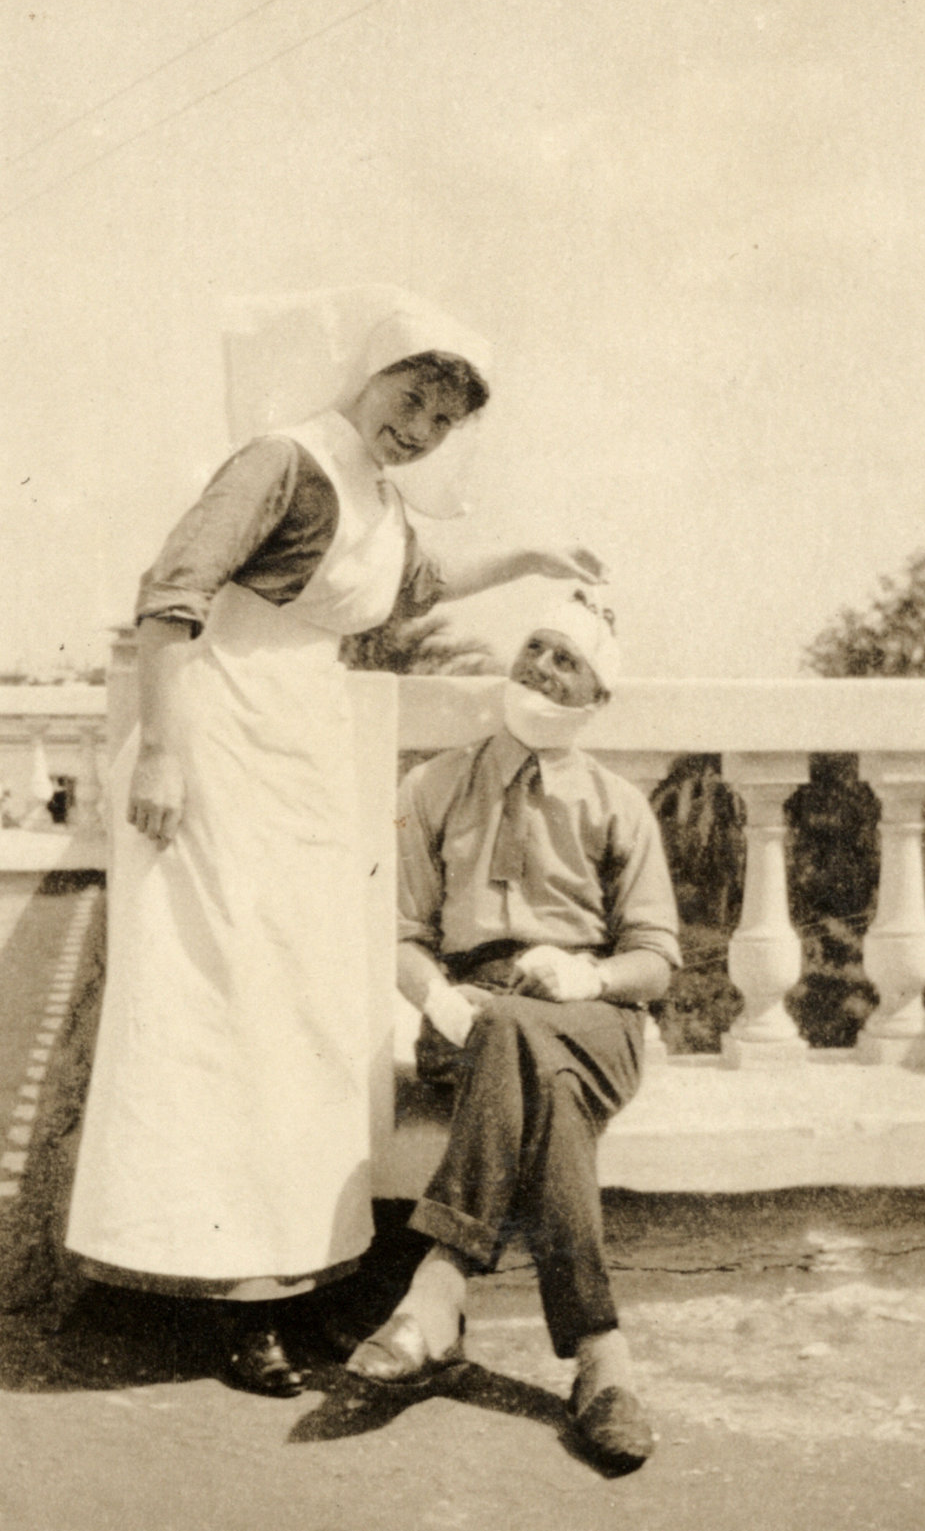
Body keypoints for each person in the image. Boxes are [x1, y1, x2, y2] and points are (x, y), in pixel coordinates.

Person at [65, 287, 604, 1398]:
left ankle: (297, 1273)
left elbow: (412, 588)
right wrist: (162, 752)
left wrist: (530, 558)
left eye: (441, 423)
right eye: (410, 399)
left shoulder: (377, 495)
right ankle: (234, 1301)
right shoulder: (283, 459)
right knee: (229, 1011)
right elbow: (171, 596)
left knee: (310, 1011)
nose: (416, 429)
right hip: (215, 736)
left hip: (302, 749)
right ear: (368, 372)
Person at [345, 591, 681, 1472]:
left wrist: (592, 975)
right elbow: (398, 928)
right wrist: (434, 992)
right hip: (471, 1012)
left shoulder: (617, 805)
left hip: (593, 1017)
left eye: (567, 659)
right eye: (535, 646)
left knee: (524, 1039)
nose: (541, 666)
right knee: (518, 1048)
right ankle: (600, 1359)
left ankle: (437, 1289)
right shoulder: (432, 785)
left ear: (597, 695)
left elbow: (656, 957)